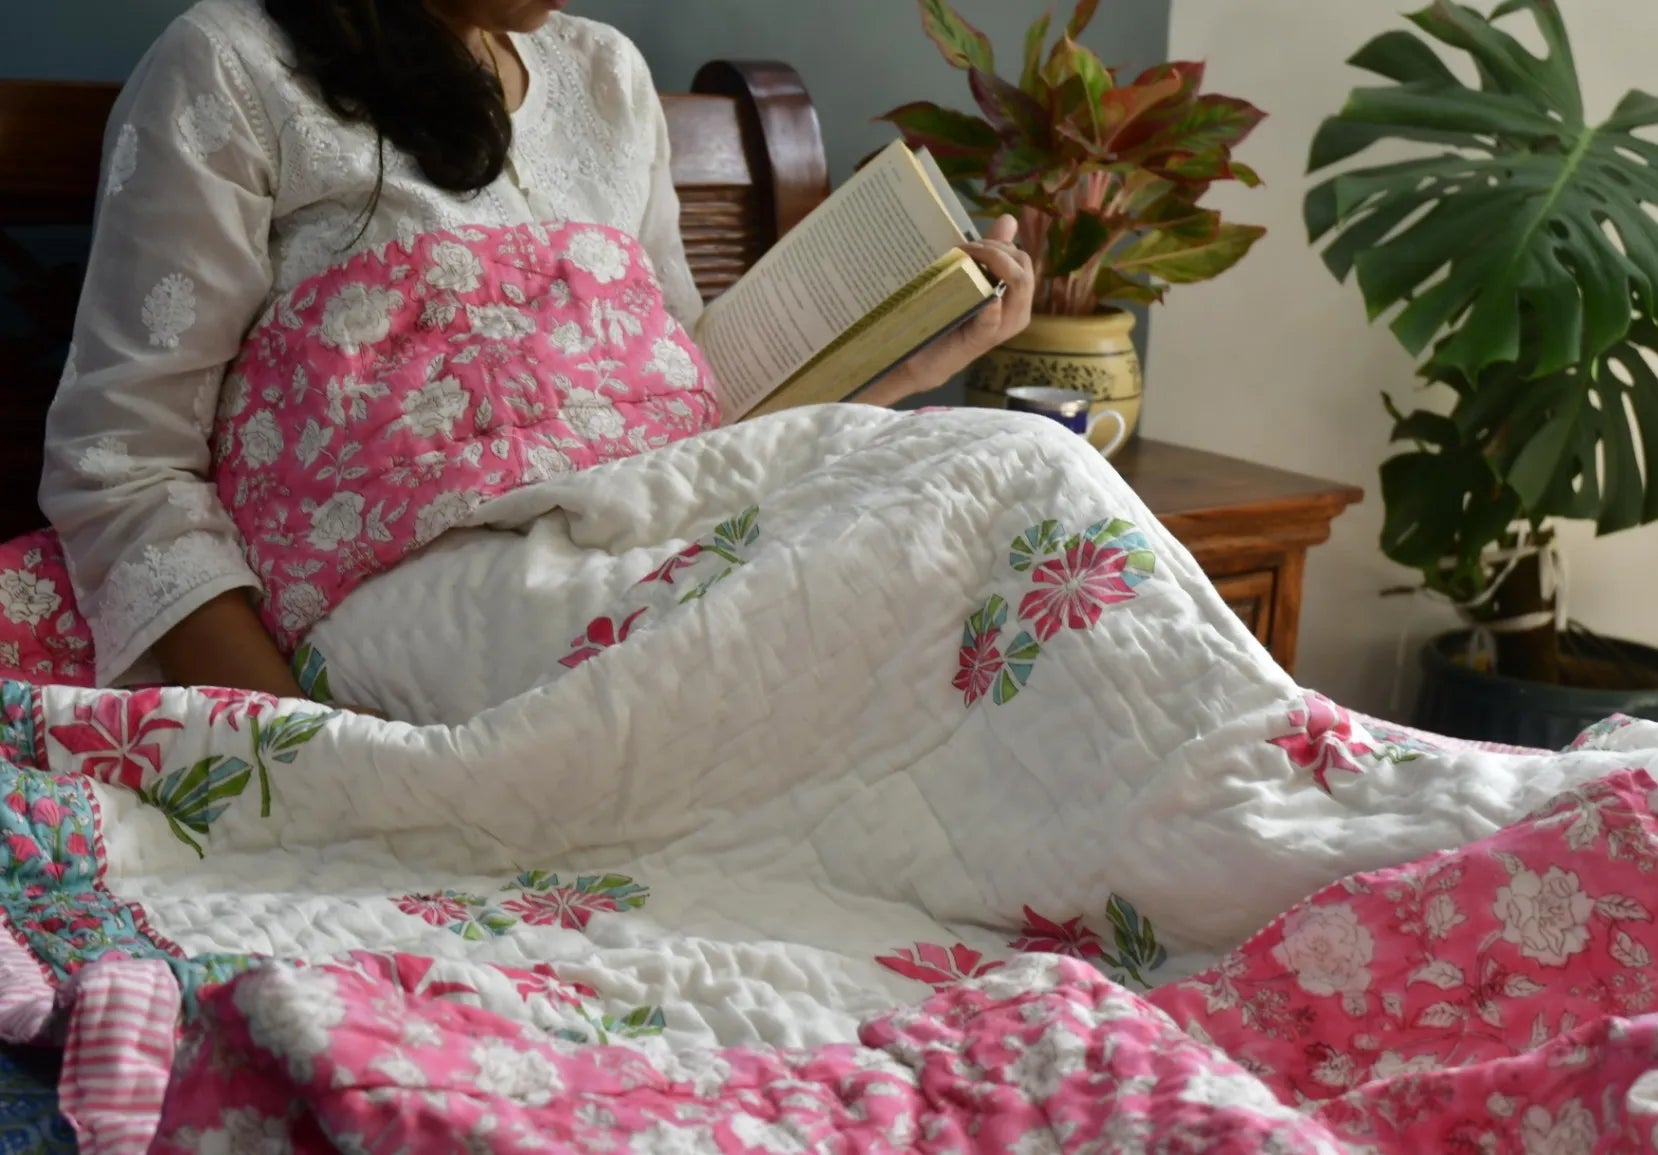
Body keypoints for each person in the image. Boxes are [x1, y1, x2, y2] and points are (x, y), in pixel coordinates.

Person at [38, 0, 1034, 712]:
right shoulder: (232, 67)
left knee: (1017, 471)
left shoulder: (605, 73)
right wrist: (300, 751)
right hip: (447, 599)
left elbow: (688, 388)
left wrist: (903, 359)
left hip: (672, 530)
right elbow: (124, 462)